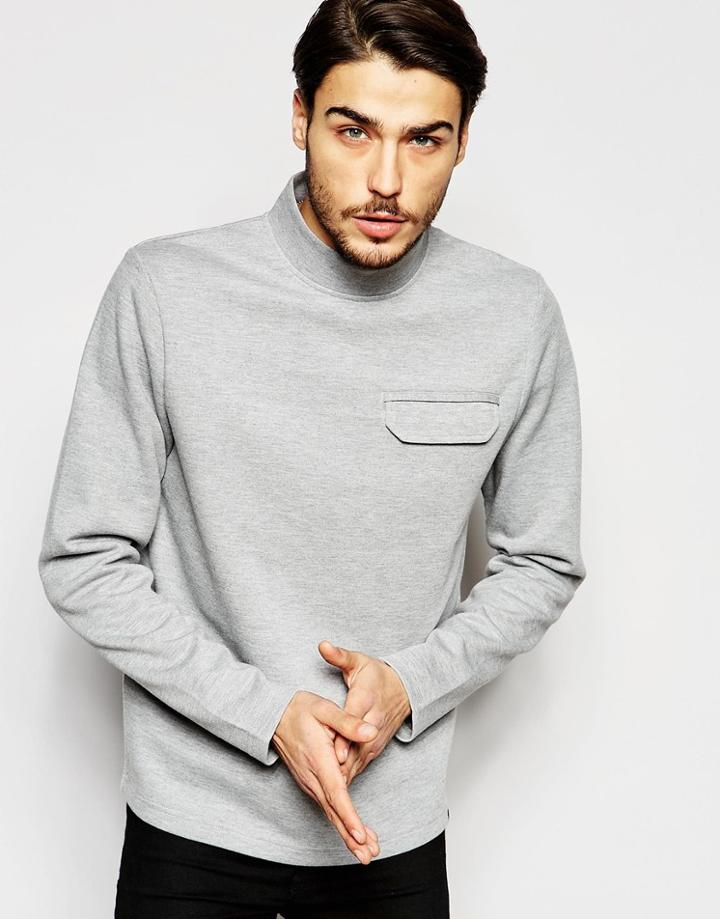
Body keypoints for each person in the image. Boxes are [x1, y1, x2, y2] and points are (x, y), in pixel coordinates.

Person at [38, 0, 587, 915]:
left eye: (424, 140)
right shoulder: (166, 291)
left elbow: (542, 560)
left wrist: (409, 684)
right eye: (353, 129)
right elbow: (84, 559)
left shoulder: (512, 313)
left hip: (392, 843)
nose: (386, 180)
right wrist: (266, 715)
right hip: (192, 838)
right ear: (300, 117)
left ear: (463, 141)